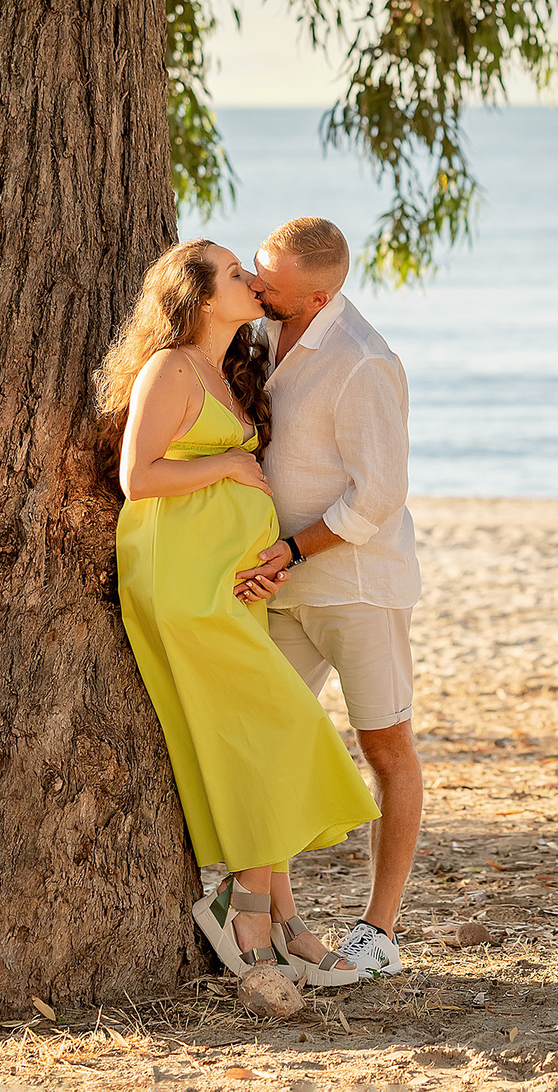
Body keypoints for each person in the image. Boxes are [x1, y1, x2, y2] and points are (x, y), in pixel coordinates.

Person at [101, 238, 380, 988]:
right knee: (280, 726)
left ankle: (282, 919)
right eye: (234, 273)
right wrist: (229, 463)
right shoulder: (169, 367)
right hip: (182, 583)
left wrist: (259, 558)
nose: (251, 281)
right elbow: (138, 478)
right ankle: (246, 908)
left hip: (229, 582)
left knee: (252, 739)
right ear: (197, 297)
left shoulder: (229, 369)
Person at [229, 217, 422, 978]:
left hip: (357, 589)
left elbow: (378, 497)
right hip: (280, 585)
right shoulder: (258, 331)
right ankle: (276, 915)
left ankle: (380, 931)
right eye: (255, 269)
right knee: (266, 741)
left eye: (270, 282)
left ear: (317, 297)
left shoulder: (363, 362)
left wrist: (293, 549)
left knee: (386, 748)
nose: (255, 286)